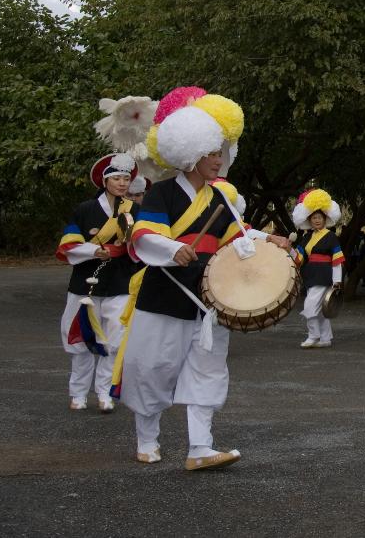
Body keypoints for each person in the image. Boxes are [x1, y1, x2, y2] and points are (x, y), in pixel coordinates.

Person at [121, 86, 292, 469]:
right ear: (192, 153)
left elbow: (239, 234)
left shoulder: (219, 199)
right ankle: (147, 437)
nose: (220, 160)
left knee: (207, 369)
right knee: (153, 368)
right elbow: (144, 235)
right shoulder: (162, 194)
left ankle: (200, 446)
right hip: (164, 293)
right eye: (213, 153)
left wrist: (271, 240)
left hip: (205, 298)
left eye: (221, 152)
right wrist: (171, 250)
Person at [56, 152, 142, 413]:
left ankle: (105, 392)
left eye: (126, 178)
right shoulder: (85, 210)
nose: (122, 183)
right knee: (81, 339)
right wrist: (93, 251)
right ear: (105, 181)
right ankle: (78, 392)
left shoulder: (134, 210)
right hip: (87, 282)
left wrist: (129, 245)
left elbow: (141, 245)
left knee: (114, 340)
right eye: (116, 177)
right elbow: (69, 245)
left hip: (119, 281)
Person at [291, 188, 344, 348]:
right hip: (311, 275)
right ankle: (325, 338)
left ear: (325, 218)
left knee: (309, 306)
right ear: (310, 220)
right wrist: (288, 248)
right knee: (321, 310)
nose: (317, 220)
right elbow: (299, 258)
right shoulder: (306, 237)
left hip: (325, 275)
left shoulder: (331, 236)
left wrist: (337, 280)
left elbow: (337, 260)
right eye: (314, 217)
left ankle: (313, 336)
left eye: (319, 217)